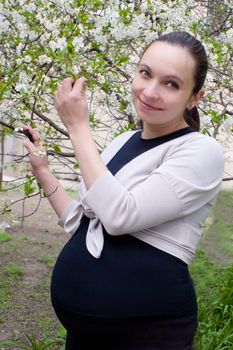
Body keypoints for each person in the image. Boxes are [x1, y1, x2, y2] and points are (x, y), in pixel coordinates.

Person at [23, 31, 224, 350]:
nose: (150, 91)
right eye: (145, 73)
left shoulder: (201, 151)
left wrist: (78, 127)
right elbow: (84, 222)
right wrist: (43, 171)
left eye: (171, 84)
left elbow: (120, 216)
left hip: (150, 334)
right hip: (85, 336)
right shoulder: (121, 142)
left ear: (195, 97)